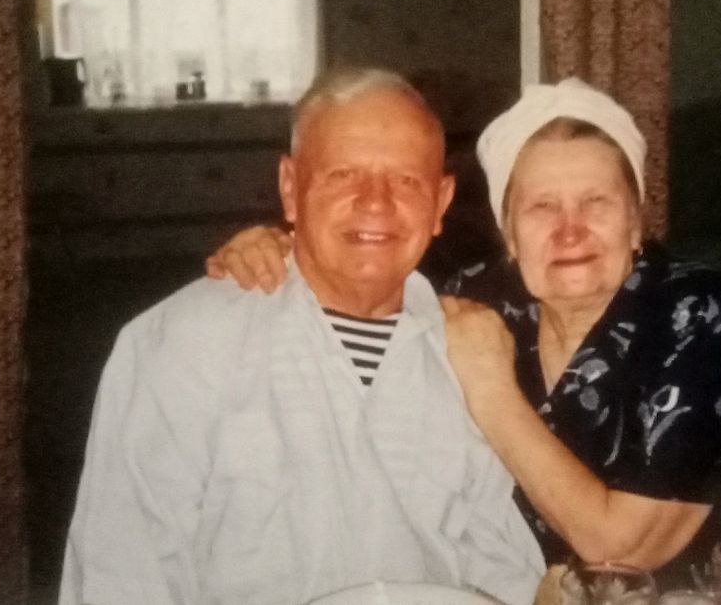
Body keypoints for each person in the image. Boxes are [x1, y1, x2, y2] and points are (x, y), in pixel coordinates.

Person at [208, 77, 721, 586]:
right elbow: (362, 288)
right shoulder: (481, 300)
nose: (570, 231)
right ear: (510, 236)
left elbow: (623, 550)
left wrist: (491, 391)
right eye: (542, 207)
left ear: (634, 222)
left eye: (596, 202)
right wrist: (280, 249)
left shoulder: (701, 314)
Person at [60, 68, 545, 605]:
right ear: (290, 189)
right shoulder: (184, 342)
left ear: (441, 203)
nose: (376, 202)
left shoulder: (470, 356)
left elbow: (499, 564)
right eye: (344, 175)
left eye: (406, 180)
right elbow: (123, 576)